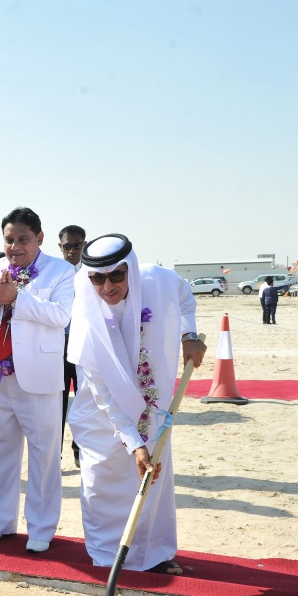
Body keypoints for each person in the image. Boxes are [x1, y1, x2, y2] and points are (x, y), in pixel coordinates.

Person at [68, 234, 206, 574]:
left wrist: (189, 336)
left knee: (154, 480)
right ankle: (107, 560)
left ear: (129, 268)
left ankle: (154, 555)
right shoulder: (87, 321)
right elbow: (104, 395)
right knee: (103, 485)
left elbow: (186, 297)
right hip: (101, 417)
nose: (107, 286)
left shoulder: (157, 281)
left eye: (116, 275)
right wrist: (133, 442)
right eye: (97, 278)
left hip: (153, 405)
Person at [0, 207, 75, 553]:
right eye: (9, 240)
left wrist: (18, 298)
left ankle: (41, 529)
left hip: (38, 378)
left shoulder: (62, 271)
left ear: (40, 238)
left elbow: (62, 316)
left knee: (43, 456)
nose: (15, 246)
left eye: (22, 239)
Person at [57, 224, 87, 468]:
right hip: (56, 346)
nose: (72, 250)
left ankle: (80, 449)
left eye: (77, 245)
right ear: (60, 247)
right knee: (56, 402)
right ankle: (53, 453)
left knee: (83, 399)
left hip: (83, 345)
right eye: (68, 246)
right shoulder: (52, 272)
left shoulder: (91, 274)